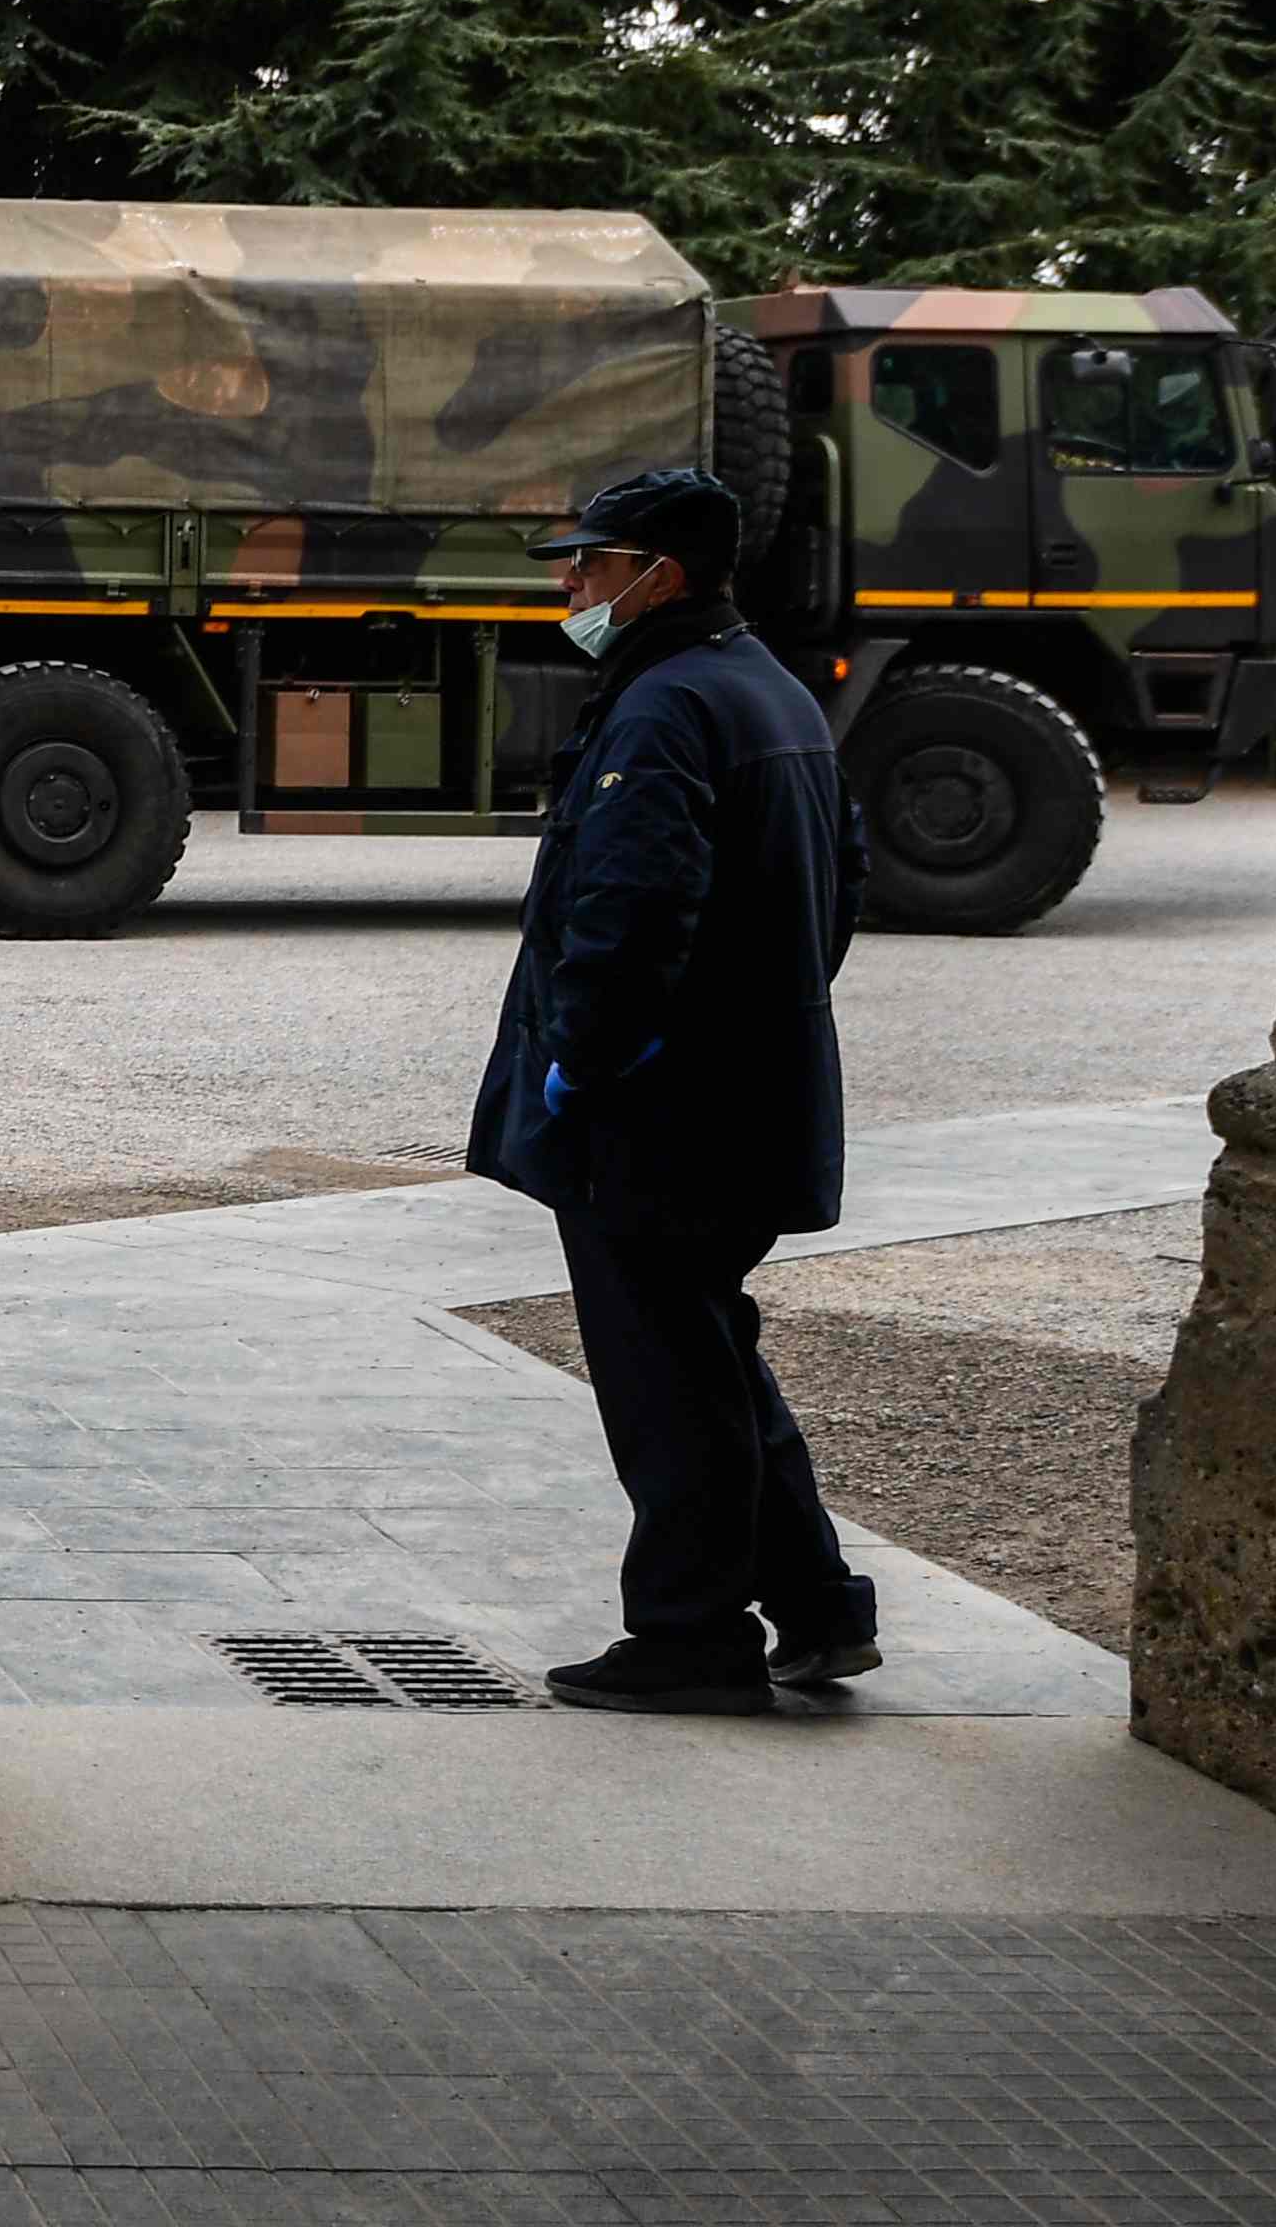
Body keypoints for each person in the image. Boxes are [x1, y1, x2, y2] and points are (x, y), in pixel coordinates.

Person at [466, 461, 875, 1714]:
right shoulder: (770, 692)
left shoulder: (666, 708)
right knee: (712, 1352)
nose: (575, 583)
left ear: (664, 575)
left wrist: (583, 1064)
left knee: (668, 1381)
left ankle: (691, 1636)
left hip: (659, 1118)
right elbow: (840, 886)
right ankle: (816, 1606)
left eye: (593, 563)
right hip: (747, 1097)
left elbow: (633, 914)